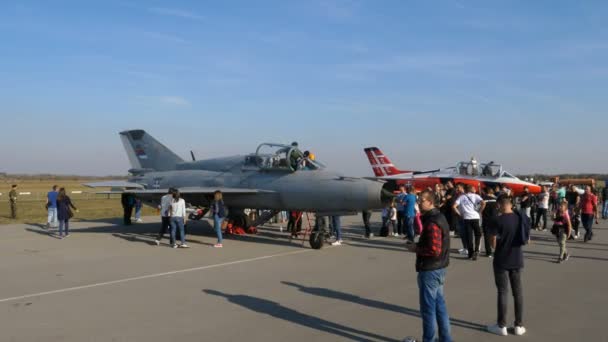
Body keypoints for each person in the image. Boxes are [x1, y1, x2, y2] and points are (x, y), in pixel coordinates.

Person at [406, 190, 452, 342]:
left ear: (430, 202)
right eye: (419, 200)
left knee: (428, 311)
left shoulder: (433, 221)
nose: (419, 202)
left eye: (422, 200)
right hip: (439, 268)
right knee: (440, 307)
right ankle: (445, 339)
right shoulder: (438, 217)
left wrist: (415, 248)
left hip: (431, 270)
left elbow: (434, 249)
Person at [487, 195, 526, 337]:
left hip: (501, 259)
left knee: (503, 292)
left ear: (499, 205)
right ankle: (518, 325)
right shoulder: (519, 218)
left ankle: (501, 325)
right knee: (518, 292)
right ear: (511, 204)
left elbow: (492, 241)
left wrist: (495, 245)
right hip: (516, 258)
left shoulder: (496, 220)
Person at [453, 184, 485, 260]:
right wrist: (480, 211)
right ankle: (476, 250)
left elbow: (454, 206)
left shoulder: (461, 197)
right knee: (478, 234)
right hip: (475, 217)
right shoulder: (476, 196)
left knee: (469, 237)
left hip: (466, 218)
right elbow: (483, 203)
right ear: (471, 189)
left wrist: (460, 214)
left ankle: (470, 253)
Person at [481, 187, 499, 258]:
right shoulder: (496, 199)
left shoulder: (484, 198)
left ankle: (488, 252)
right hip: (495, 218)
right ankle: (496, 251)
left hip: (487, 219)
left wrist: (480, 212)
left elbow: (482, 206)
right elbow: (498, 207)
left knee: (487, 236)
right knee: (494, 236)